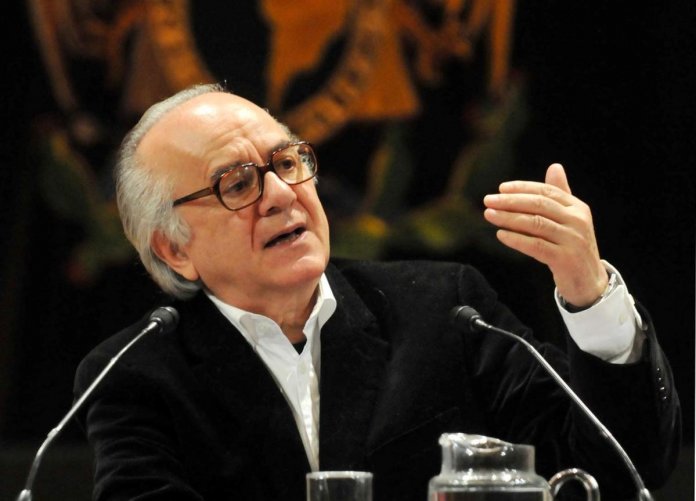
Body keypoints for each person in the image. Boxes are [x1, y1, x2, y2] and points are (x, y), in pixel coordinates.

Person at [74, 83, 680, 500]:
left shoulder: (446, 309)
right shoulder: (136, 376)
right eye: (236, 184)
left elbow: (621, 471)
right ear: (174, 248)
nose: (281, 194)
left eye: (286, 163)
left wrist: (588, 293)